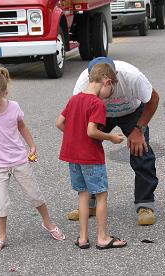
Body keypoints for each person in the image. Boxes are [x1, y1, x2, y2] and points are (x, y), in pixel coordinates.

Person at [0, 67, 65, 252]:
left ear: (4, 94)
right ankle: (2, 236)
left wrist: (32, 146)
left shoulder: (14, 107)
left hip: (19, 159)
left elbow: (22, 127)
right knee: (0, 201)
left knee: (34, 194)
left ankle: (48, 223)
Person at [67, 57, 160, 226]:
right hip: (98, 114)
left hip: (132, 112)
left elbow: (153, 99)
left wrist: (139, 129)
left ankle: (145, 204)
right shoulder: (83, 81)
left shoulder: (132, 76)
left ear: (112, 79)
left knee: (141, 152)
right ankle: (90, 202)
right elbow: (78, 109)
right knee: (87, 155)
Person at [56, 63, 127, 249]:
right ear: (107, 81)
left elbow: (59, 123)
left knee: (83, 194)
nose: (110, 95)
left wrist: (74, 136)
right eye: (111, 90)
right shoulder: (97, 104)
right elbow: (91, 132)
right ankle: (103, 237)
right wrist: (111, 137)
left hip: (73, 156)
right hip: (90, 157)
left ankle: (82, 238)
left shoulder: (74, 99)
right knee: (101, 195)